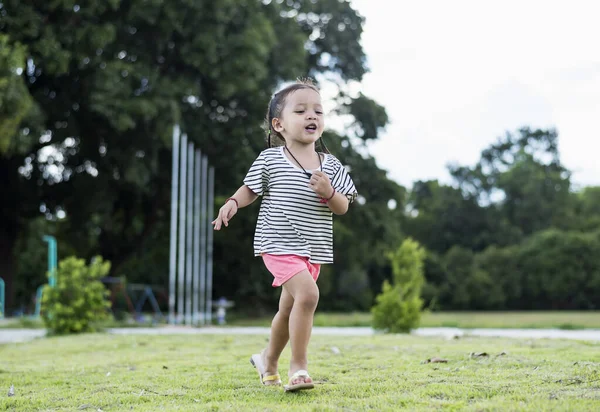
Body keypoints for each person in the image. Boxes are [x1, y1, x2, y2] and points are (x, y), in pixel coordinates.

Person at [212, 78, 357, 392]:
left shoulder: (331, 166)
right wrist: (233, 202)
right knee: (308, 296)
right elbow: (251, 189)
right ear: (278, 124)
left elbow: (343, 206)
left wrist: (329, 191)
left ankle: (268, 360)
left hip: (312, 250)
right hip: (276, 243)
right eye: (301, 110)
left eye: (318, 111)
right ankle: (299, 368)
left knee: (289, 309)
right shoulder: (270, 160)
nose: (312, 116)